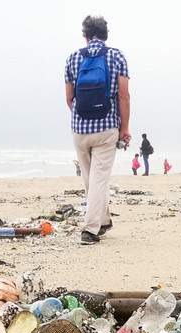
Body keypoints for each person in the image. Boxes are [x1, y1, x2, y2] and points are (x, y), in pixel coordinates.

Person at [64, 15, 130, 245]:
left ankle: (103, 221)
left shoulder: (72, 59)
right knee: (99, 179)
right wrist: (124, 127)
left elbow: (69, 98)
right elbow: (123, 95)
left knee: (90, 179)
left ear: (85, 35)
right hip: (106, 128)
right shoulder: (117, 56)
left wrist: (82, 117)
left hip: (79, 129)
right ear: (105, 35)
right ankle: (90, 230)